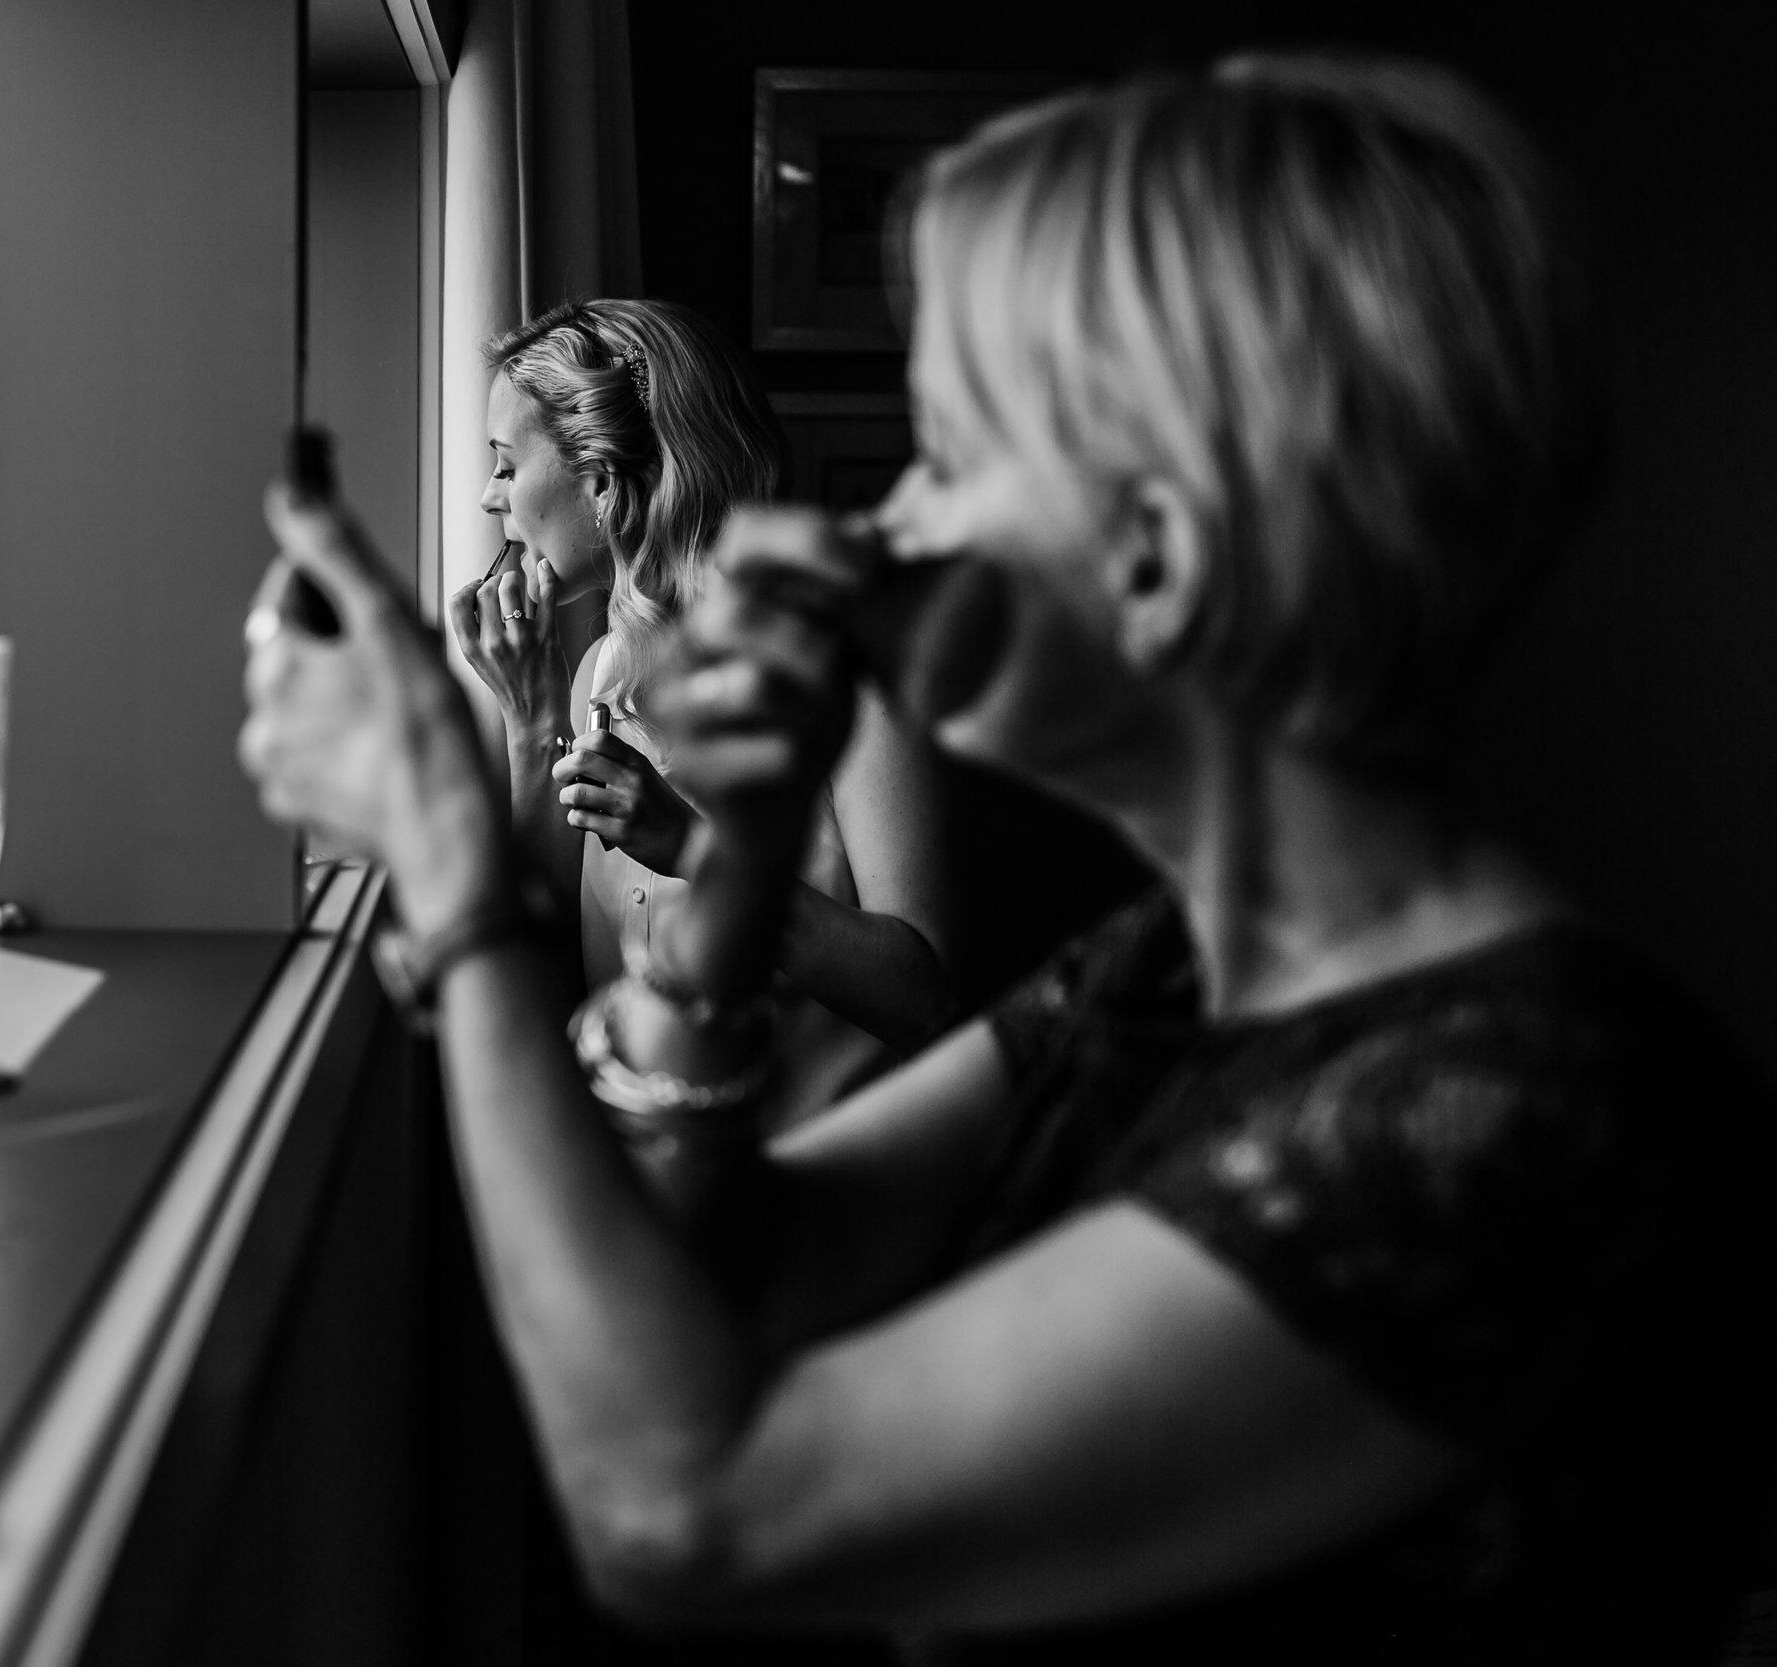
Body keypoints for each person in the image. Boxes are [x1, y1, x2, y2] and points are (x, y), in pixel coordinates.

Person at [239, 52, 1777, 1663]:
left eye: (954, 451)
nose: (888, 518)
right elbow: (731, 1287)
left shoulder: (1519, 1118)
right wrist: (725, 903)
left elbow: (683, 1509)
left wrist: (459, 890)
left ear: (1159, 562)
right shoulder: (1166, 976)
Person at [450, 299, 958, 1105]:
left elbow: (931, 1002)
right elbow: (544, 977)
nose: (488, 497)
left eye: (508, 464)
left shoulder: (851, 673)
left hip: (837, 1189)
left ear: (605, 480)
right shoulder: (596, 679)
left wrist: (693, 846)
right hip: (658, 1191)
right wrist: (531, 719)